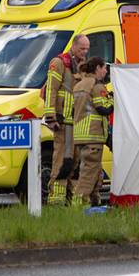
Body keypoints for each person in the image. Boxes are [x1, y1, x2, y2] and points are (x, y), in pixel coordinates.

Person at [43, 34, 89, 204]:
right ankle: (56, 200)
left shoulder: (83, 66)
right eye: (82, 48)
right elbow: (51, 91)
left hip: (78, 123)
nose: (85, 52)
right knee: (61, 160)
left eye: (87, 49)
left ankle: (72, 200)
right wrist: (51, 117)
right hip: (62, 123)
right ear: (74, 46)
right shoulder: (60, 63)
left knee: (76, 162)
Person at [71, 57, 113, 206]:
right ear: (97, 68)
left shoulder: (78, 85)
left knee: (95, 171)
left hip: (80, 136)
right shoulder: (97, 86)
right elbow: (104, 108)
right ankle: (78, 204)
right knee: (89, 174)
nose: (105, 71)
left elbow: (72, 111)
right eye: (104, 68)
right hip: (93, 136)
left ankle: (94, 203)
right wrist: (113, 99)